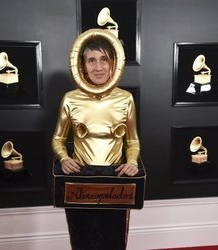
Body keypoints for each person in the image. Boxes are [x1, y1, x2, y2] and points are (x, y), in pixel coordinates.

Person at [52, 29, 140, 250]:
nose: (98, 67)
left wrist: (132, 162)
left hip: (115, 181)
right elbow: (57, 139)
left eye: (104, 59)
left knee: (115, 239)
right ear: (82, 65)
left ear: (113, 64)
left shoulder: (125, 98)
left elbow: (132, 141)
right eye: (91, 60)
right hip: (81, 179)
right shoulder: (70, 99)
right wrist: (63, 158)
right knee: (81, 238)